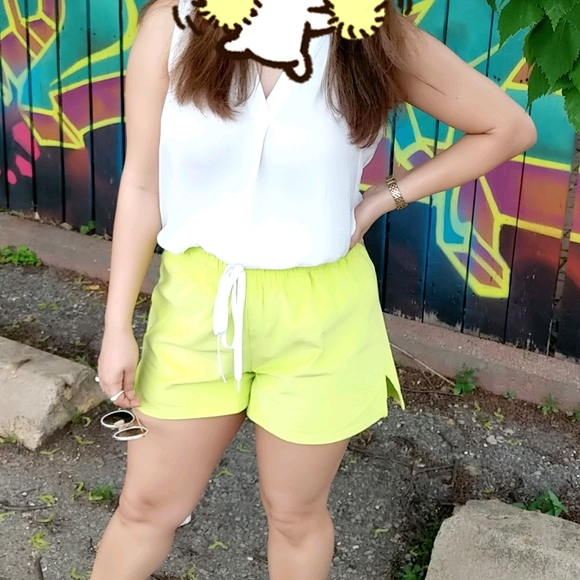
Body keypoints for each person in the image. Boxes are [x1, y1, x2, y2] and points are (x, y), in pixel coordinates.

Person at [92, 0, 537, 578]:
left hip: (322, 317)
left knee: (295, 515)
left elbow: (508, 127)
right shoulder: (173, 26)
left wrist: (381, 200)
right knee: (146, 507)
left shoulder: (372, 36)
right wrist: (116, 325)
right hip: (197, 306)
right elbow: (141, 183)